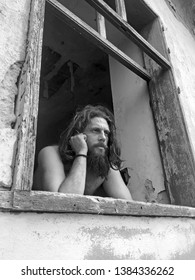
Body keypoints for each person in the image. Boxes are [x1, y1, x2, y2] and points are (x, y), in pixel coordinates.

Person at [33, 105, 133, 200]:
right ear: (78, 134)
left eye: (106, 133)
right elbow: (63, 202)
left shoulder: (105, 164)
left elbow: (129, 206)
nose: (103, 137)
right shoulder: (50, 153)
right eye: (96, 130)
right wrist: (81, 152)